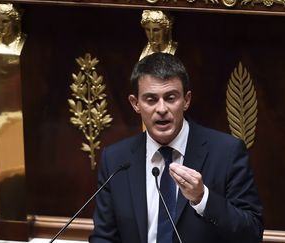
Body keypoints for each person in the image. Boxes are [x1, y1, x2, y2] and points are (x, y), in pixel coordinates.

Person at [90, 53, 263, 243]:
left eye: (171, 98)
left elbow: (252, 233)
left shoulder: (227, 153)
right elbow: (103, 238)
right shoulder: (115, 160)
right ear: (135, 104)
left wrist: (202, 198)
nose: (162, 109)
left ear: (186, 100)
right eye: (151, 99)